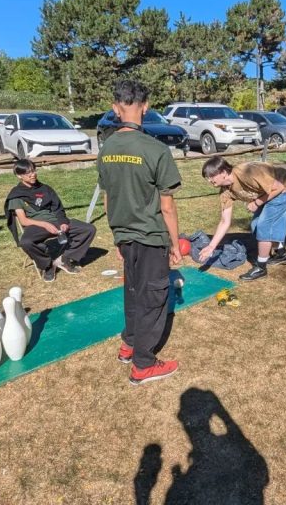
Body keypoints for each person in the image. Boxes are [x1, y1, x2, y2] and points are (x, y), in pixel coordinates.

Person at [97, 79, 182, 385]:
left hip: (125, 236)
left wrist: (117, 236)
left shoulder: (106, 148)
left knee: (133, 292)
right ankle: (143, 364)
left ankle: (129, 344)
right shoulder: (156, 149)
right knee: (153, 298)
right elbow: (167, 207)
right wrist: (175, 245)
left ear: (115, 108)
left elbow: (108, 198)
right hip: (150, 237)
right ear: (145, 107)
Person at [199, 157, 286, 281]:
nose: (209, 180)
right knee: (255, 225)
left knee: (264, 227)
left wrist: (256, 203)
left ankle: (261, 267)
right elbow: (224, 221)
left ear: (223, 172)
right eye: (207, 178)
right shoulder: (225, 192)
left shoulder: (245, 173)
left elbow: (279, 187)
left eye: (211, 176)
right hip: (267, 192)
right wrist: (211, 247)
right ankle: (282, 254)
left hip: (285, 188)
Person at [4, 158, 96, 282]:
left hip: (55, 221)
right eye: (28, 173)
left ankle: (64, 259)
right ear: (19, 176)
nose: (33, 174)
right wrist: (44, 224)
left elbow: (58, 208)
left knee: (88, 229)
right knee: (26, 242)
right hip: (35, 225)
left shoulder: (45, 189)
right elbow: (24, 221)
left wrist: (63, 222)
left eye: (34, 170)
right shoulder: (16, 195)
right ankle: (47, 266)